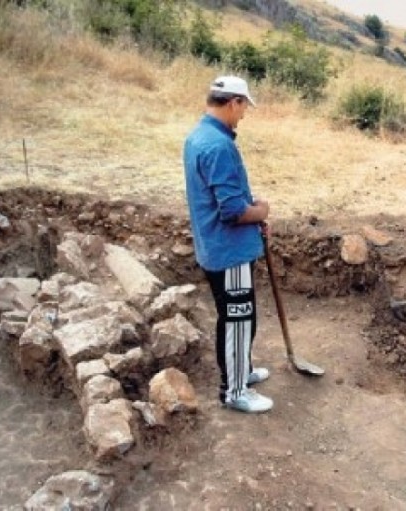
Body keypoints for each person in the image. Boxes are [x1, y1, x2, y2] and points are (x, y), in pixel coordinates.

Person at [184, 76, 273, 413]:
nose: (244, 115)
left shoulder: (199, 136)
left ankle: (243, 372)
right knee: (236, 320)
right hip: (229, 252)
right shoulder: (219, 146)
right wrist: (261, 211)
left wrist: (253, 214)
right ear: (234, 102)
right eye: (244, 107)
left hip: (218, 247)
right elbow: (233, 211)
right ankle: (234, 391)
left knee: (240, 317)